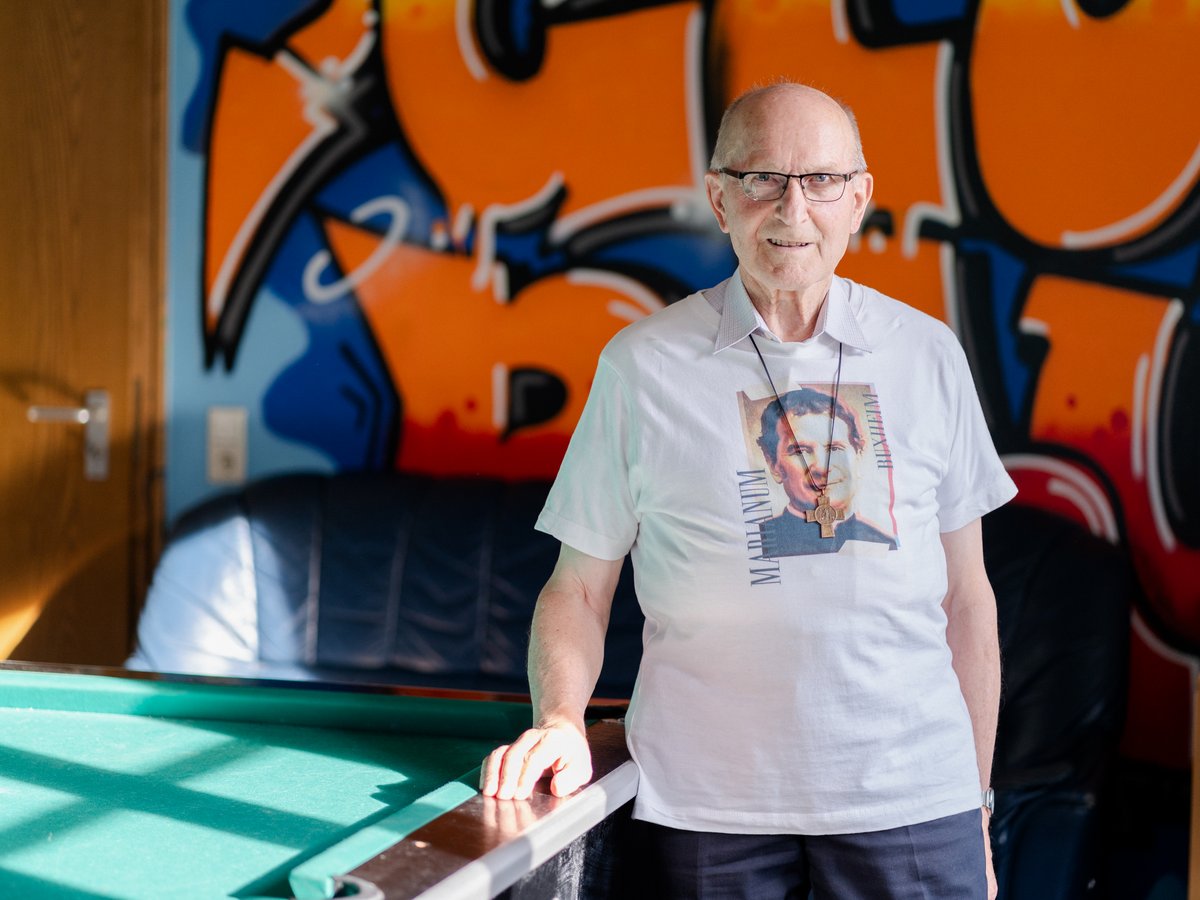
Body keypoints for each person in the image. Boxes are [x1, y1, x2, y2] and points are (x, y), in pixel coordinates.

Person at [481, 81, 1015, 899]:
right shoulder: (641, 365)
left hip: (911, 798)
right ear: (718, 197)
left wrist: (973, 800)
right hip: (702, 807)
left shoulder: (929, 353)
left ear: (860, 198)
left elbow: (968, 603)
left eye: (822, 180)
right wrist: (558, 719)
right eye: (762, 178)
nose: (792, 208)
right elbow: (578, 591)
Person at [756, 386, 897, 556]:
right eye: (801, 451)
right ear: (773, 464)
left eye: (835, 448)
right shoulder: (759, 542)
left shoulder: (885, 543)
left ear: (858, 454)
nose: (822, 468)